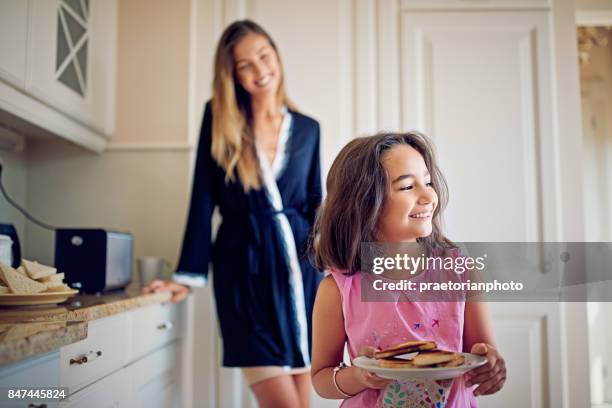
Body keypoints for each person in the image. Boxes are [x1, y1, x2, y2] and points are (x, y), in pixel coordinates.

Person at [143, 20, 322, 408]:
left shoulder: (309, 129)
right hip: (244, 273)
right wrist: (185, 277)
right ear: (233, 75)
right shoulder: (220, 120)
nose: (260, 70)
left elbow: (315, 205)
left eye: (264, 55)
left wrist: (341, 265)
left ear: (276, 53)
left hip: (299, 275)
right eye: (245, 65)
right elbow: (203, 198)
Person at [309, 133, 506, 407]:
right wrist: (358, 377)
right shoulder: (337, 289)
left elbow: (483, 357)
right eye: (407, 187)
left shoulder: (460, 271)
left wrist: (492, 369)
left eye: (427, 182)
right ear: (364, 203)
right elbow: (321, 378)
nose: (428, 195)